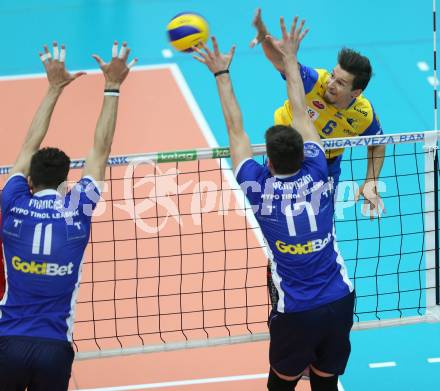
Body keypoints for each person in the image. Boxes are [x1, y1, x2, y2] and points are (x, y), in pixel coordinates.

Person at [193, 17, 354, 391]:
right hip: (339, 299)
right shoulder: (318, 171)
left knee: (279, 385)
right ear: (305, 152)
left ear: (268, 162)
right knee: (325, 382)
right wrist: (291, 59)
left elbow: (236, 129)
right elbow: (300, 110)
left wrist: (221, 73)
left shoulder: (256, 187)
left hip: (296, 310)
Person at [0, 41, 136, 390]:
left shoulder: (12, 201)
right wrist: (112, 87)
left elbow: (28, 145)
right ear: (66, 182)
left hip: (8, 344)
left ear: (28, 180)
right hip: (54, 349)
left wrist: (54, 87)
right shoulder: (78, 207)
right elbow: (100, 150)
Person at [251, 8, 385, 220]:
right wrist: (263, 36)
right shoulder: (315, 81)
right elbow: (282, 61)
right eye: (333, 75)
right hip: (287, 154)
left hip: (326, 165)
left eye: (340, 83)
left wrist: (371, 181)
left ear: (356, 93)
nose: (330, 84)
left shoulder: (363, 114)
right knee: (276, 220)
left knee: (320, 223)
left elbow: (378, 143)